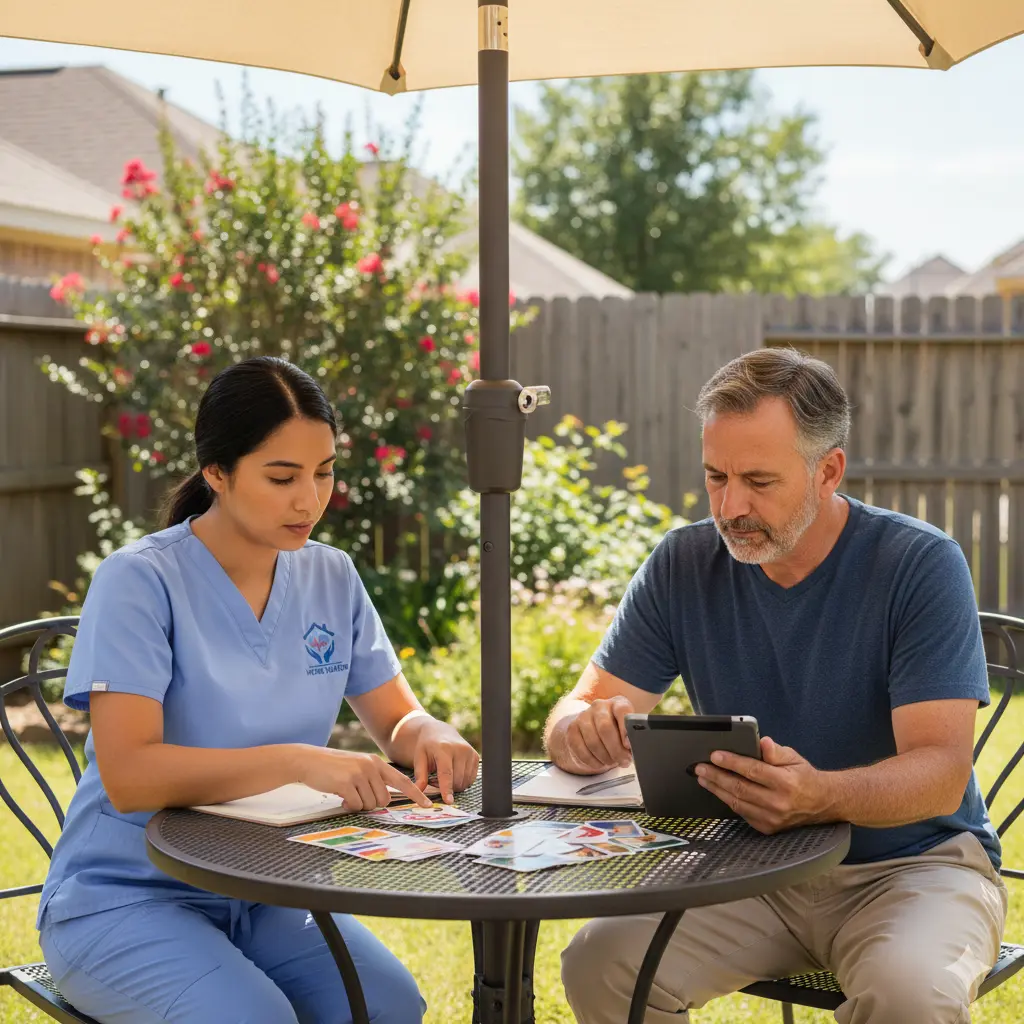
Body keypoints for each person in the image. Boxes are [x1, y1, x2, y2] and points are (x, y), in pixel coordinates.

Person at [548, 348, 1008, 1024]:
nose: (730, 506)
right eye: (715, 477)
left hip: (914, 868)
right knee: (602, 963)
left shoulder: (918, 564)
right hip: (751, 873)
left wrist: (820, 796)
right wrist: (577, 729)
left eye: (759, 481)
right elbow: (580, 706)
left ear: (828, 471)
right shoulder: (684, 564)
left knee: (910, 996)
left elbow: (941, 773)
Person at [37, 356, 480, 1024]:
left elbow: (398, 718)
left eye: (324, 472)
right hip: (125, 896)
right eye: (282, 477)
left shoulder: (332, 577)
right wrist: (299, 761)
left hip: (269, 891)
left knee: (386, 1008)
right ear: (217, 473)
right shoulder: (138, 581)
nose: (309, 499)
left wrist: (434, 736)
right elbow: (129, 775)